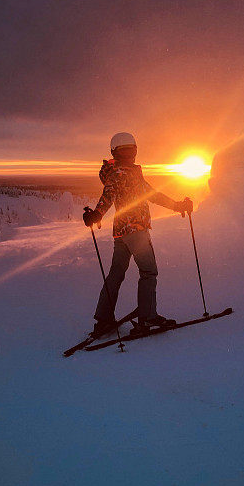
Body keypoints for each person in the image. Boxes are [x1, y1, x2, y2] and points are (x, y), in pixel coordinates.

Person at [83, 132, 193, 337]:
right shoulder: (122, 174)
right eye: (128, 150)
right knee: (149, 272)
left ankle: (104, 319)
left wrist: (178, 206)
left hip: (121, 233)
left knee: (116, 273)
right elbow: (110, 195)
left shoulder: (118, 172)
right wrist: (97, 213)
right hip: (136, 230)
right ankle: (148, 317)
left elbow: (145, 195)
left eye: (129, 150)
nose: (129, 154)